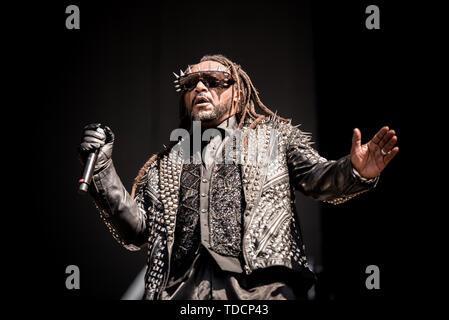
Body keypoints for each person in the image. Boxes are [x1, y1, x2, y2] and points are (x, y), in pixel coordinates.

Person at [78, 54, 398, 300]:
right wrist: (103, 171)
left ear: (238, 93)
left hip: (262, 294)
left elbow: (320, 178)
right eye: (191, 83)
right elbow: (137, 232)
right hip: (181, 297)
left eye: (214, 80)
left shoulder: (275, 140)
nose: (200, 87)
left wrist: (355, 170)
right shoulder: (163, 166)